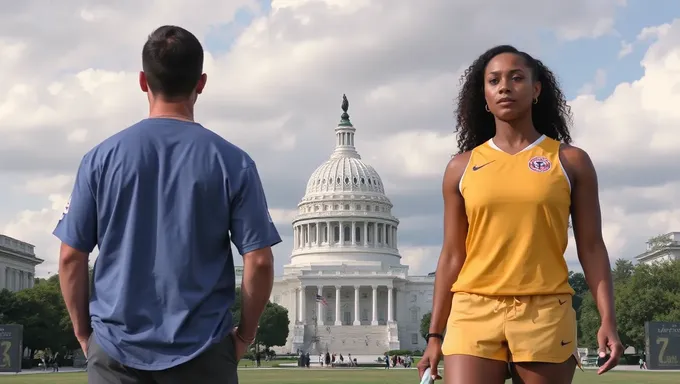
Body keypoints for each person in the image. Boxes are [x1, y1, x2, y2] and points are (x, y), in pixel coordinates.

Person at [54, 25, 281, 384]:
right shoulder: (233, 162)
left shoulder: (99, 159)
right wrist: (244, 337)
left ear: (143, 81)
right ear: (201, 82)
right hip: (204, 351)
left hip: (115, 351)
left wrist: (85, 335)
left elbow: (70, 257)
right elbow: (260, 259)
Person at [416, 45, 624, 384]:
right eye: (494, 80)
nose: (504, 87)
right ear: (484, 95)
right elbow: (453, 254)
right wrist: (435, 336)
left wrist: (608, 320)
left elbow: (591, 247)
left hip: (544, 310)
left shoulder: (571, 161)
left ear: (536, 89)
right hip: (473, 309)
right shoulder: (460, 167)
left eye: (516, 78)